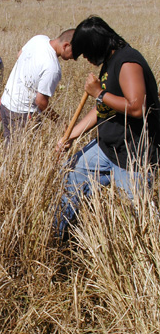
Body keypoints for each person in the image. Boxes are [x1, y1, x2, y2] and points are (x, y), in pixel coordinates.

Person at [54, 16, 160, 235]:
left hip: (133, 157)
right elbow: (103, 108)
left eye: (85, 53)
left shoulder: (127, 62)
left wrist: (98, 92)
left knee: (137, 218)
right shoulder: (110, 64)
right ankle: (57, 234)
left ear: (95, 46)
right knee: (71, 172)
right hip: (107, 148)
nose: (85, 59)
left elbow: (136, 107)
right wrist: (72, 134)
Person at [0, 29, 75, 143]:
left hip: (6, 102)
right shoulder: (53, 68)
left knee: (9, 145)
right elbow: (40, 102)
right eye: (75, 53)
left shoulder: (39, 38)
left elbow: (19, 54)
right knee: (22, 153)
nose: (74, 58)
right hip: (23, 114)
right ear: (66, 46)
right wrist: (59, 121)